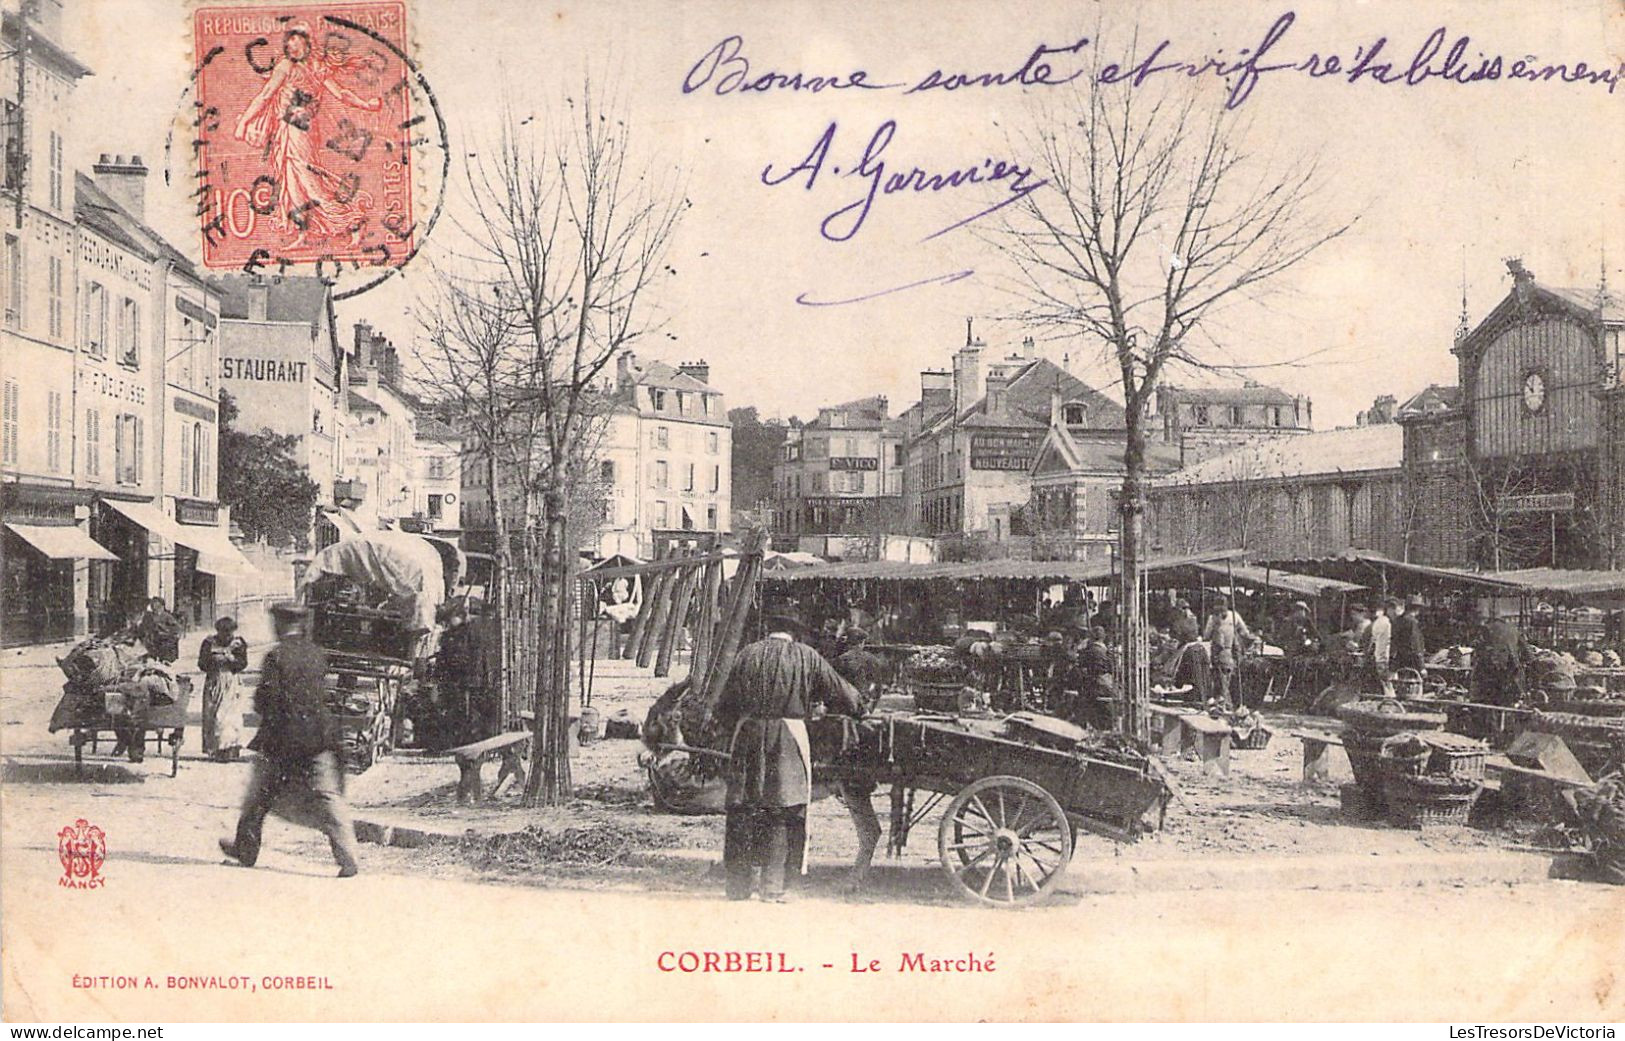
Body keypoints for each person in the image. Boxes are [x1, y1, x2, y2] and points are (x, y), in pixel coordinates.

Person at [712, 607, 865, 902]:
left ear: (769, 629)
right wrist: (860, 707)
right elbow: (839, 690)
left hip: (748, 735)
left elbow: (725, 703)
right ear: (794, 632)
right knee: (782, 808)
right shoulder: (805, 655)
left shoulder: (747, 654)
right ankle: (773, 888)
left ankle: (738, 887)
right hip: (787, 737)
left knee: (743, 807)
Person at [220, 603, 359, 878]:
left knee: (257, 797)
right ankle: (348, 857)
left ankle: (245, 850)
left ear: (280, 625)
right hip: (319, 736)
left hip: (283, 738)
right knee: (329, 797)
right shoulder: (317, 654)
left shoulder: (276, 656)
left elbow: (264, 700)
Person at [198, 617, 250, 762]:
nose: (226, 636)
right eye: (223, 633)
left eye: (229, 633)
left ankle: (230, 749)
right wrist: (213, 662)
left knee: (230, 717)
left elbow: (243, 663)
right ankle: (215, 749)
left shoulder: (239, 644)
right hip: (214, 681)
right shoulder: (208, 643)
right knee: (212, 714)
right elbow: (201, 664)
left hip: (231, 682)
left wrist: (232, 660)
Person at [1473, 609, 1530, 707]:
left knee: (1489, 700)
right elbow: (1527, 652)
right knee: (1509, 699)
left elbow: (1478, 648)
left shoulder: (1486, 628)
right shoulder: (1513, 629)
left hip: (1493, 668)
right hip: (1511, 667)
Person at [1204, 605, 1253, 709]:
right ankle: (1223, 701)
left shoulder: (1228, 621)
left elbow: (1244, 632)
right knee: (1222, 678)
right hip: (1222, 652)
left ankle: (1224, 702)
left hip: (1225, 652)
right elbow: (1207, 635)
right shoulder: (1217, 620)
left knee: (1223, 679)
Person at [833, 627, 887, 710]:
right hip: (864, 705)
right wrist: (870, 708)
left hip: (845, 705)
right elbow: (878, 688)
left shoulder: (840, 660)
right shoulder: (872, 659)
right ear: (862, 642)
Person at [132, 596, 182, 664]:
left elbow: (176, 628)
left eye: (157, 605)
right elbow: (144, 627)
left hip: (164, 638)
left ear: (161, 606)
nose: (154, 607)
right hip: (152, 638)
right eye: (153, 605)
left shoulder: (166, 616)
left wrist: (167, 632)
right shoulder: (149, 616)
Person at [1390, 596, 1427, 675]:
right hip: (1411, 662)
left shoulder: (1397, 620)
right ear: (1417, 608)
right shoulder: (1412, 622)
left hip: (1398, 661)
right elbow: (1415, 644)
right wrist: (1422, 666)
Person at [1368, 600, 1394, 697]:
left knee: (1385, 682)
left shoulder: (1377, 623)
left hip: (1379, 656)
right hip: (1385, 656)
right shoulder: (1385, 622)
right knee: (1388, 683)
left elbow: (1373, 640)